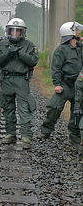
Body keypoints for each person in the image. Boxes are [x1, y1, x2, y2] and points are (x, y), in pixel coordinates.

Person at [0, 18, 39, 149]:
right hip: (7, 79)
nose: (14, 34)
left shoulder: (29, 45)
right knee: (8, 108)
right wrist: (7, 54)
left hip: (21, 80)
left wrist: (19, 54)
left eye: (17, 31)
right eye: (12, 31)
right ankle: (10, 134)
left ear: (22, 32)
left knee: (24, 109)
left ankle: (26, 137)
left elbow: (33, 61)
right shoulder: (2, 44)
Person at [38, 22, 83, 150]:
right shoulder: (61, 49)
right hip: (65, 85)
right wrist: (57, 84)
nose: (79, 32)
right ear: (70, 33)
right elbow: (56, 68)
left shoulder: (80, 48)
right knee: (54, 108)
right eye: (76, 31)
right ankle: (45, 131)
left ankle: (74, 139)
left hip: (78, 87)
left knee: (77, 112)